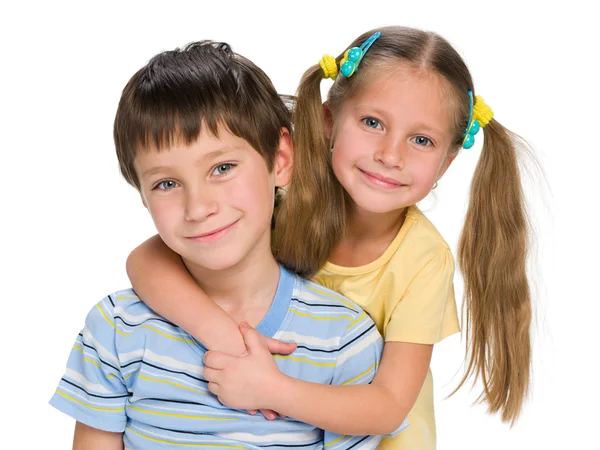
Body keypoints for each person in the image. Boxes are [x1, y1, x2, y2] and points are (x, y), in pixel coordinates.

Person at [126, 26, 533, 449]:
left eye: (421, 140)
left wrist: (271, 388)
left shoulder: (424, 259)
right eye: (373, 122)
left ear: (446, 164)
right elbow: (147, 260)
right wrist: (223, 336)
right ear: (327, 121)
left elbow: (388, 406)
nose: (391, 155)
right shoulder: (282, 193)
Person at [49, 40, 401, 449]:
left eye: (222, 168)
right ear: (142, 196)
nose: (198, 208)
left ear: (280, 160)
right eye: (166, 184)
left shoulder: (342, 339)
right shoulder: (116, 328)